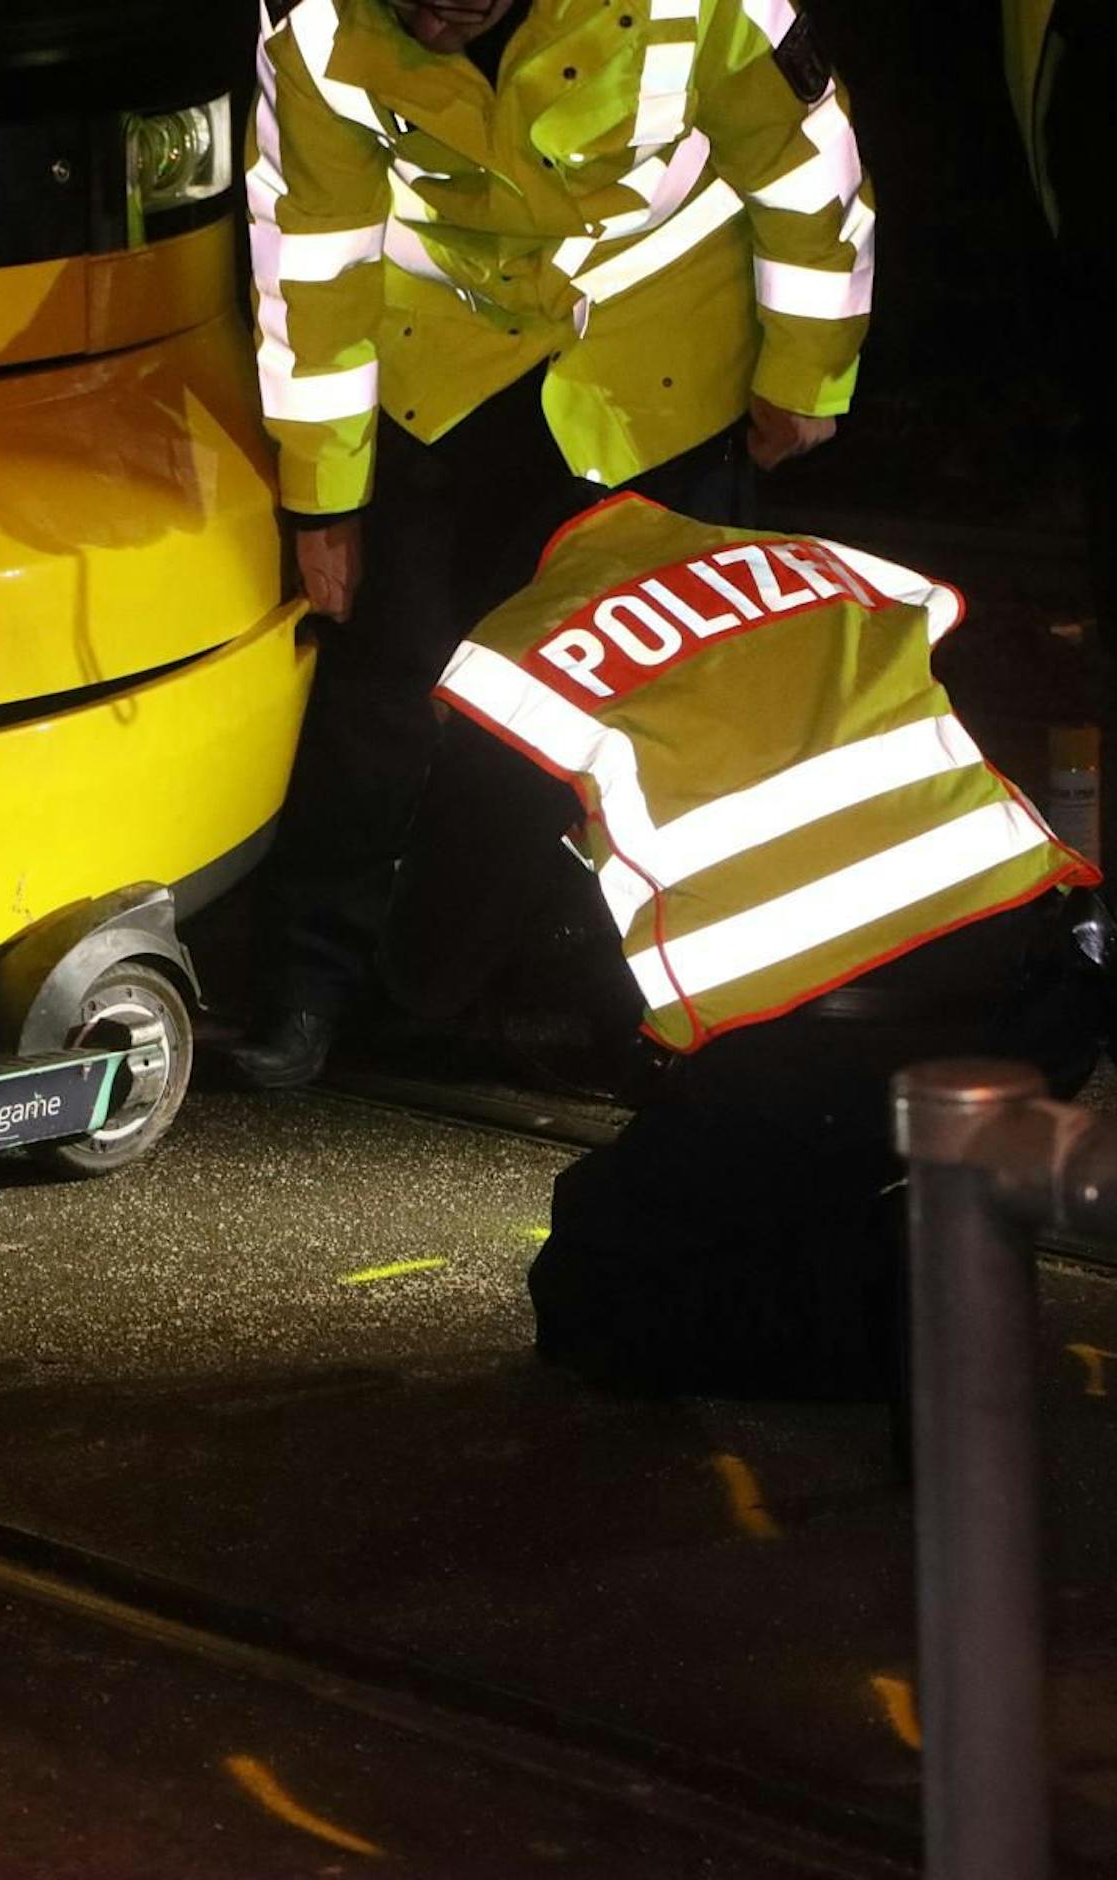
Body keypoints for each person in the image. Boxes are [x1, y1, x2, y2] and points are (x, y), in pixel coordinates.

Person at [229, 0, 875, 1087]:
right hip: (446, 369)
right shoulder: (312, 19)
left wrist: (805, 374)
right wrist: (322, 499)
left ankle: (635, 996)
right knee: (383, 689)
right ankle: (310, 987)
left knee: (656, 708)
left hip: (656, 375)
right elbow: (309, 252)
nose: (434, 21)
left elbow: (806, 162)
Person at [433, 493, 1103, 1399]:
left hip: (830, 1058)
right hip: (1044, 1002)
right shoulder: (813, 561)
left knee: (593, 1289)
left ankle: (903, 1316)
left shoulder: (526, 648)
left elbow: (442, 948)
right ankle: (916, 1232)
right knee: (776, 1186)